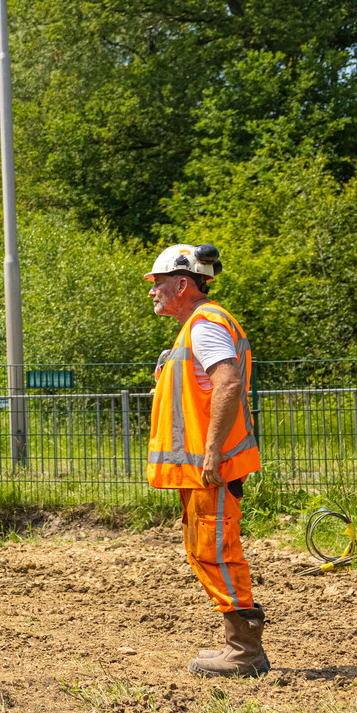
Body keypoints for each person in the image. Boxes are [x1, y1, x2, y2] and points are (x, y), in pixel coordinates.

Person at [144, 243, 267, 677]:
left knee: (217, 552)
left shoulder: (205, 325)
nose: (152, 291)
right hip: (200, 470)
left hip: (211, 469)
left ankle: (245, 652)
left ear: (183, 284)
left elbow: (228, 384)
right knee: (207, 550)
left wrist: (213, 452)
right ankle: (240, 645)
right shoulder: (195, 328)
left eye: (158, 283)